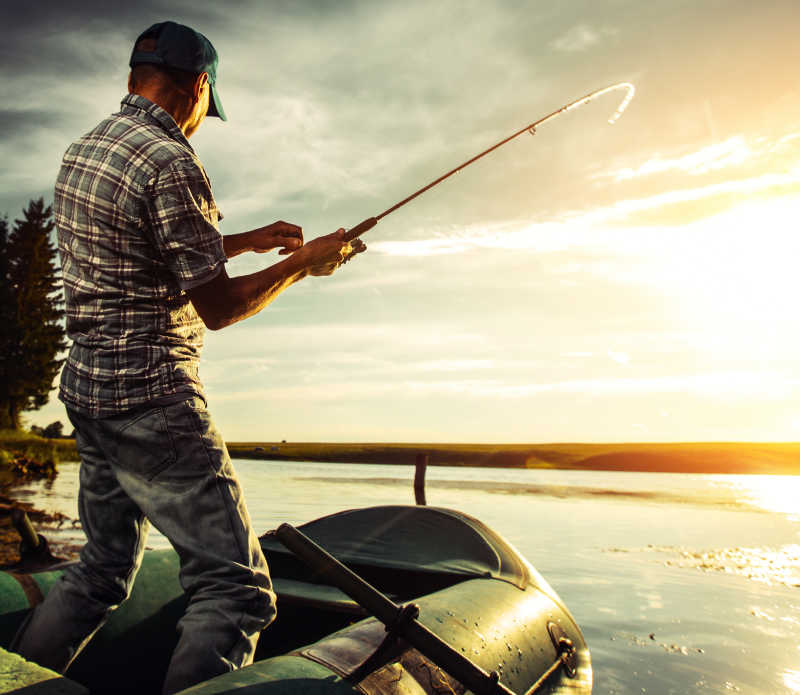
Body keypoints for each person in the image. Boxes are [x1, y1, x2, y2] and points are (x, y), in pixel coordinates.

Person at [11, 20, 365, 694]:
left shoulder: (82, 151)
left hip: (88, 391)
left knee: (102, 568)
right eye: (208, 101)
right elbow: (220, 308)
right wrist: (305, 264)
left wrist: (246, 240)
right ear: (199, 86)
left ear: (132, 79)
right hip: (155, 402)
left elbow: (144, 248)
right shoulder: (171, 160)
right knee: (236, 592)